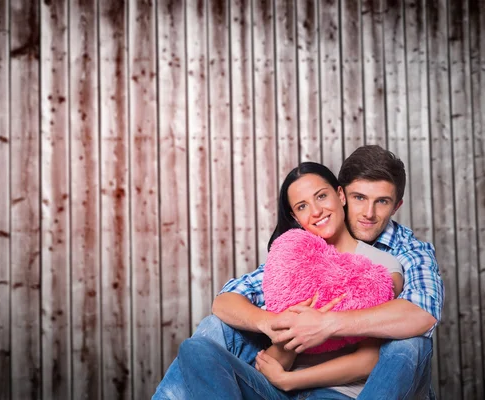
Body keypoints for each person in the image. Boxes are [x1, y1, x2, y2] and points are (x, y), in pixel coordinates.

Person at [152, 145, 444, 399]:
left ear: (336, 195)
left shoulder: (386, 263)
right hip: (278, 387)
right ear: (345, 195)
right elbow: (229, 301)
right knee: (198, 344)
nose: (368, 213)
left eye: (381, 201)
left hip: (338, 391)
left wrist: (324, 326)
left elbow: (415, 319)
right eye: (360, 198)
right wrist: (275, 323)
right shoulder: (296, 253)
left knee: (412, 343)